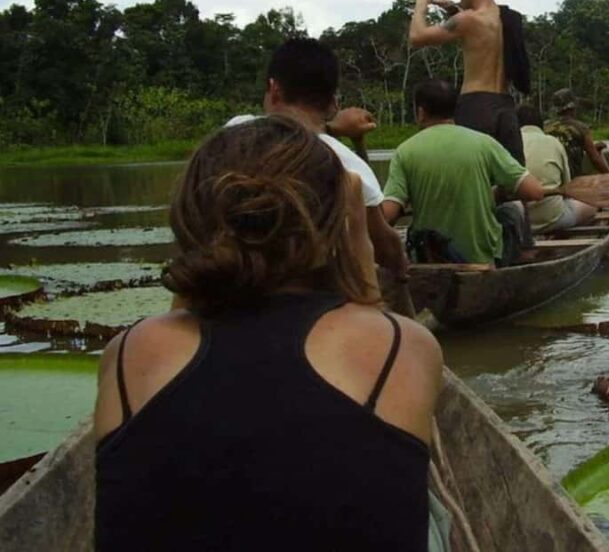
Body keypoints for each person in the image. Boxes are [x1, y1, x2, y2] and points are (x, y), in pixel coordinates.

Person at [94, 115, 443, 551]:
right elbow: (371, 316)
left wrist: (202, 258)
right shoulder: (403, 345)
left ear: (190, 218)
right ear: (331, 222)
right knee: (436, 515)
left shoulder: (127, 353)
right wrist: (358, 239)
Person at [225, 38, 408, 286]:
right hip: (315, 299)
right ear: (333, 102)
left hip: (235, 286)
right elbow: (386, 247)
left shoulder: (233, 133)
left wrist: (332, 128)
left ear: (274, 89)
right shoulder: (350, 165)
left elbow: (285, 131)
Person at [381, 78, 544, 267]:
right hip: (482, 258)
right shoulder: (484, 144)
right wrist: (498, 191)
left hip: (430, 257)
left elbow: (388, 214)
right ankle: (518, 265)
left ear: (421, 112)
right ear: (455, 110)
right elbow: (535, 192)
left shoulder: (404, 151)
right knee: (513, 209)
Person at [409, 0, 530, 165]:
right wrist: (450, 8)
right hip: (504, 105)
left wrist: (421, 3)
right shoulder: (506, 18)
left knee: (473, 171)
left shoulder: (468, 20)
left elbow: (417, 37)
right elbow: (478, 30)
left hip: (476, 105)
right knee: (513, 176)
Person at [517, 104, 597, 233]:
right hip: (552, 219)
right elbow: (566, 188)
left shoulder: (506, 143)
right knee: (592, 207)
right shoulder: (553, 142)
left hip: (518, 220)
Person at [544, 88, 609, 179]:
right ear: (572, 107)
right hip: (572, 179)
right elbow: (595, 159)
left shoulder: (545, 127)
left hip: (550, 177)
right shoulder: (581, 128)